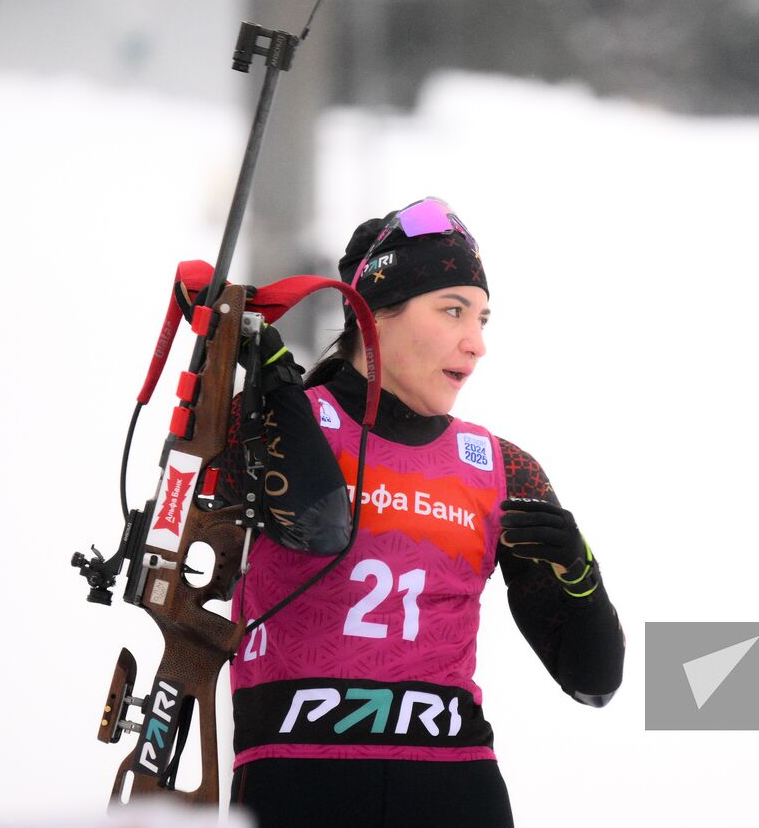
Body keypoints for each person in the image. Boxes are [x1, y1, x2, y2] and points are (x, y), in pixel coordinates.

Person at [221, 198, 625, 827]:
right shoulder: (281, 424)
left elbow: (594, 680)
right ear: (374, 314)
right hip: (298, 775)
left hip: (452, 783)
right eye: (453, 311)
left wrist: (581, 573)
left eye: (484, 318)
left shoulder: (500, 467)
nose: (477, 343)